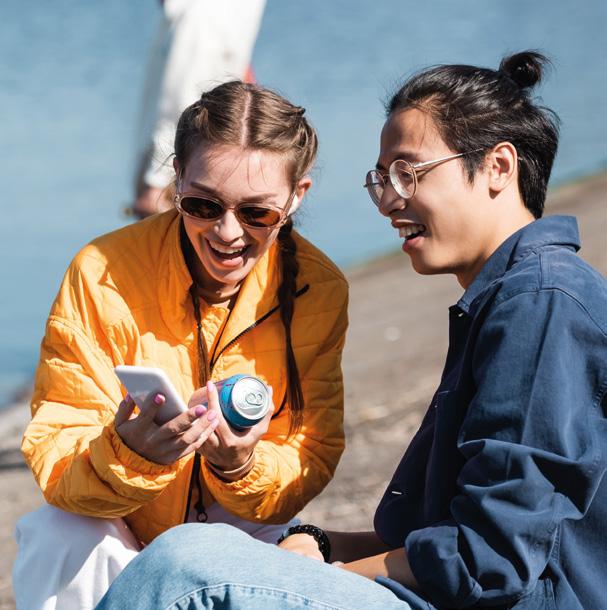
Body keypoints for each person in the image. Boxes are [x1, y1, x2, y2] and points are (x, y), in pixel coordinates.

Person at [95, 51, 606, 610]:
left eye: (408, 173)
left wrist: (332, 573)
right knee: (215, 548)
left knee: (184, 567)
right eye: (382, 179)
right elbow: (441, 537)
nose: (388, 200)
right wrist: (319, 543)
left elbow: (491, 558)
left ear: (498, 167)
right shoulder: (513, 296)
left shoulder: (540, 303)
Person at [14, 81, 348, 610]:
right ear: (177, 178)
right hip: (120, 517)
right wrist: (132, 454)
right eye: (202, 205)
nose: (227, 233)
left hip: (243, 523)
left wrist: (240, 466)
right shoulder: (102, 272)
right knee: (59, 534)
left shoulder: (317, 287)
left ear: (296, 195)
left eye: (257, 213)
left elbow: (310, 452)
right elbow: (57, 448)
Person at [131, 0, 266, 218]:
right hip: (199, 167)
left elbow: (179, 106)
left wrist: (154, 183)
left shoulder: (200, 16)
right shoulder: (212, 14)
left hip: (183, 177)